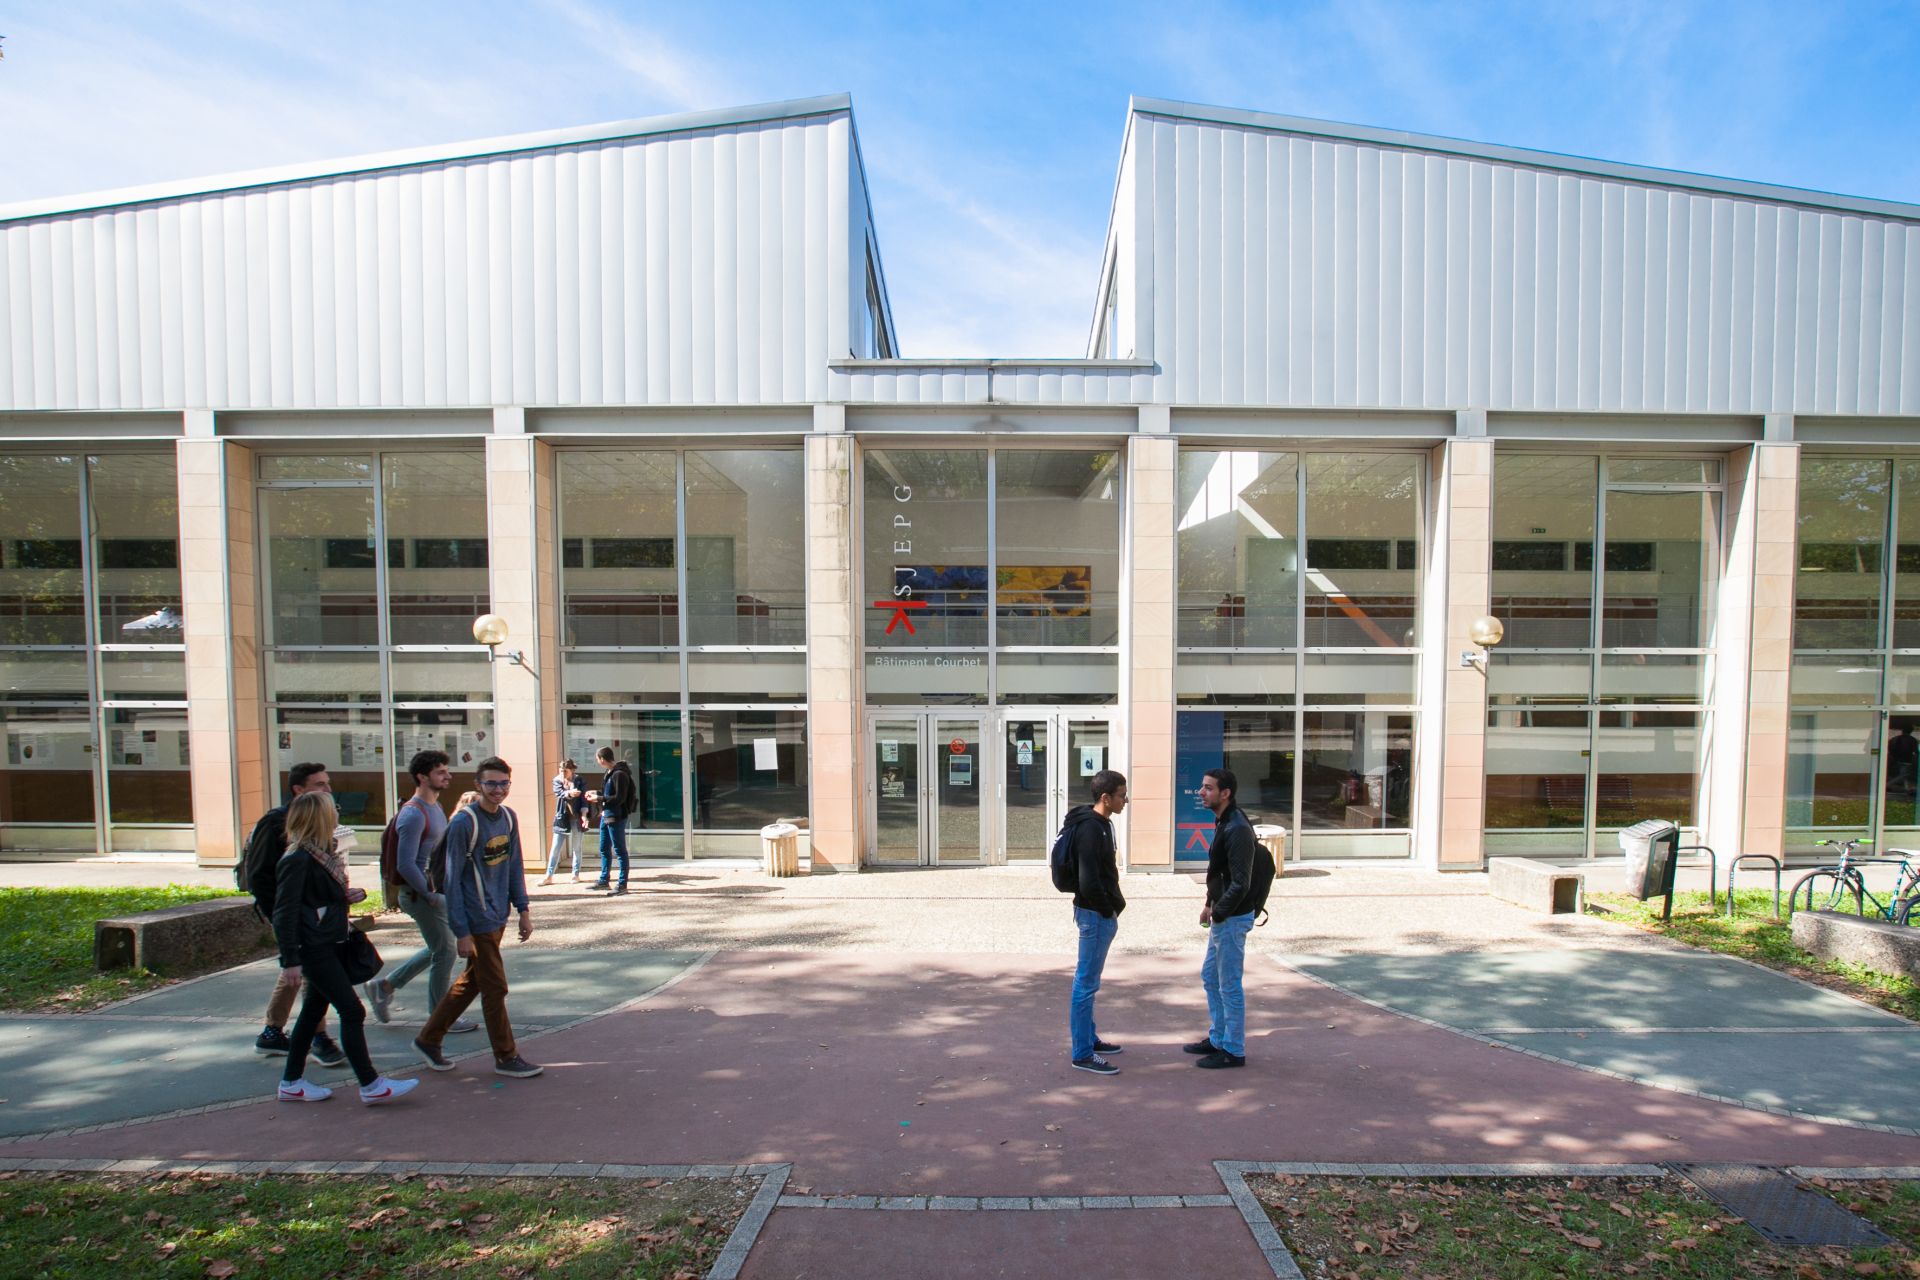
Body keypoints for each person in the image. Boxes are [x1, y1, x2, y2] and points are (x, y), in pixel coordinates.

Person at [272, 790, 419, 1105]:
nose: (337, 812)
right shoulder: (298, 858)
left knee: (312, 1012)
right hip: (314, 949)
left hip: (329, 941)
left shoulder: (320, 853)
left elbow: (316, 899)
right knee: (352, 1010)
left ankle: (291, 1082)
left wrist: (348, 895)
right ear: (320, 817)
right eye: (332, 808)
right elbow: (284, 912)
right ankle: (370, 1083)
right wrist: (290, 960)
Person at [412, 756, 543, 1079]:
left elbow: (514, 868)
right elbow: (453, 880)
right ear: (478, 785)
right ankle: (505, 1055)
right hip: (475, 918)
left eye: (503, 783)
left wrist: (523, 910)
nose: (498, 790)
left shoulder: (508, 819)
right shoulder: (463, 823)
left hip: (498, 915)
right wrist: (462, 931)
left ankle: (429, 1039)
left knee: (471, 981)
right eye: (491, 783)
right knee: (495, 987)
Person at [362, 750, 475, 1035]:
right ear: (423, 777)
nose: (447, 776)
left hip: (433, 892)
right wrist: (430, 895)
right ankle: (440, 1016)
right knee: (446, 953)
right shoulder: (413, 814)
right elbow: (405, 863)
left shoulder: (435, 807)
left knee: (440, 948)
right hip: (419, 896)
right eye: (440, 772)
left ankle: (384, 986)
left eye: (446, 770)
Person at [241, 762, 344, 1067]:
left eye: (328, 783)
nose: (327, 789)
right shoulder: (275, 824)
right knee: (309, 972)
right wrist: (283, 918)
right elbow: (259, 875)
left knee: (297, 970)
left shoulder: (318, 823)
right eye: (319, 785)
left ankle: (272, 1031)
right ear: (299, 791)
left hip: (313, 916)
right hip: (292, 914)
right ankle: (318, 1036)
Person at [1186, 767, 1274, 1071]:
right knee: (1211, 977)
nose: (1201, 792)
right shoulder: (1224, 820)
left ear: (1225, 793)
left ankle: (1233, 1050)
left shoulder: (1236, 828)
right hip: (1224, 914)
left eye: (1208, 788)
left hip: (1233, 918)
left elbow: (1241, 882)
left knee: (1229, 984)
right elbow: (1221, 874)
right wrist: (1210, 903)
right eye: (1202, 787)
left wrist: (1220, 912)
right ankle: (1218, 1038)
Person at [1066, 769, 1129, 1076]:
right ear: (1106, 798)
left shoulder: (1102, 824)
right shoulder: (1091, 829)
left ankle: (1089, 1040)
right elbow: (1089, 880)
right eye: (1121, 795)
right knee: (1085, 984)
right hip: (1094, 914)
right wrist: (1108, 910)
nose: (1125, 800)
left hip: (1097, 913)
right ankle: (1082, 1053)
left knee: (1089, 982)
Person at [585, 746, 635, 896]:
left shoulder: (619, 774)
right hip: (606, 815)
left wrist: (599, 798)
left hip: (616, 816)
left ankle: (622, 884)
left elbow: (619, 798)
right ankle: (604, 879)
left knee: (620, 850)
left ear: (602, 759)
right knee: (604, 848)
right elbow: (608, 794)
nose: (597, 761)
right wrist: (597, 794)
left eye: (598, 759)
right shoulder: (609, 773)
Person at [540, 758, 587, 885]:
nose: (562, 773)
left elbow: (583, 799)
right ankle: (549, 875)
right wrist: (570, 793)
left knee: (577, 847)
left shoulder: (579, 780)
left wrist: (584, 814)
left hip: (576, 816)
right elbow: (559, 793)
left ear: (572, 770)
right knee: (555, 847)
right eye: (561, 771)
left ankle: (575, 874)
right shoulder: (557, 780)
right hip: (562, 817)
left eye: (565, 771)